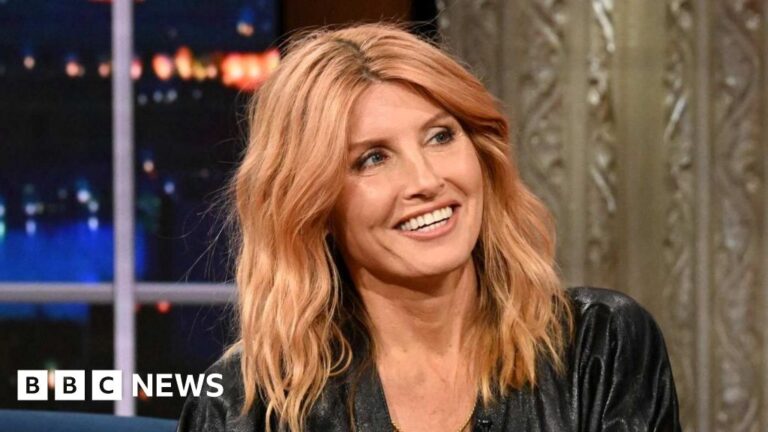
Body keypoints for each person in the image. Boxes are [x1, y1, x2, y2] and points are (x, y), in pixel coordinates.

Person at [177, 22, 681, 432]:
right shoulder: (244, 408)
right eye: (373, 158)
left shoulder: (601, 348)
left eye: (440, 136)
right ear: (315, 207)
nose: (426, 181)